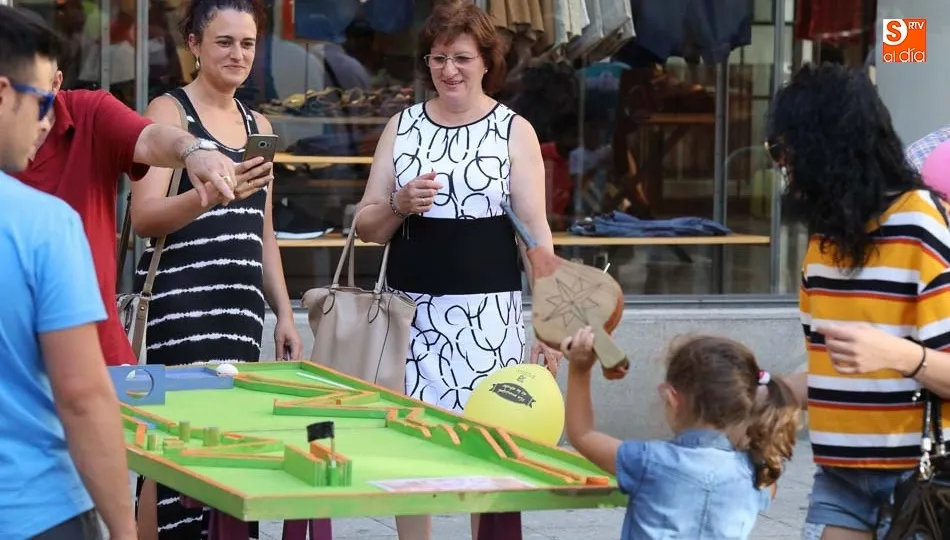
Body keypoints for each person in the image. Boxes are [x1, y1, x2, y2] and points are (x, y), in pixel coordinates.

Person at [352, 1, 560, 537]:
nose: (449, 70)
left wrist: (550, 326)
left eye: (461, 58)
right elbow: (365, 226)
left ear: (486, 60)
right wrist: (400, 203)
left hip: (488, 321)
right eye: (438, 57)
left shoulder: (514, 130)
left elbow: (535, 234)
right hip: (410, 318)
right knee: (408, 452)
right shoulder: (403, 125)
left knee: (491, 451)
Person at [129, 0, 302, 538]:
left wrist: (286, 314)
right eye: (224, 41)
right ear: (194, 45)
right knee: (165, 455)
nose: (237, 53)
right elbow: (144, 218)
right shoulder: (170, 113)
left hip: (238, 315)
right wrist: (205, 198)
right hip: (178, 309)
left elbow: (262, 230)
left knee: (226, 453)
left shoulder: (260, 123)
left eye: (247, 43)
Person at [762, 62, 950, 540]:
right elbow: (832, 371)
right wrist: (765, 391)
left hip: (923, 478)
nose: (782, 166)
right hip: (840, 477)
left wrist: (898, 356)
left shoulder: (922, 226)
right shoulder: (823, 244)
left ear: (830, 148)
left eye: (785, 150)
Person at [11, 9, 241, 370]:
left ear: (57, 83)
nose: (40, 124)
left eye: (47, 96)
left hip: (101, 359)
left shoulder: (88, 111)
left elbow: (150, 138)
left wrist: (193, 150)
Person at [0, 6, 137, 540]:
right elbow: (81, 395)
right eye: (42, 103)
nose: (48, 121)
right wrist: (125, 530)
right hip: (34, 507)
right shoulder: (43, 224)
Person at [561, 326, 799, 539]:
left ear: (672, 399)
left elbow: (582, 434)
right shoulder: (757, 475)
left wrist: (580, 370)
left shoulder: (647, 461)